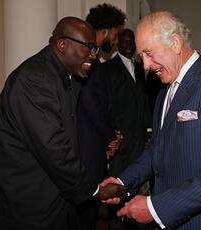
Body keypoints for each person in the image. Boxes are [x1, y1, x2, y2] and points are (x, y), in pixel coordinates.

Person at [0, 17, 128, 230]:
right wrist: (95, 190)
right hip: (19, 196)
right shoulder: (36, 79)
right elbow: (54, 148)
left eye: (95, 48)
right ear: (62, 44)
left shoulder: (67, 75)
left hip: (45, 192)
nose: (94, 56)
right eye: (88, 47)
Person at [102, 11, 201, 230]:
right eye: (141, 56)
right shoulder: (166, 90)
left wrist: (155, 208)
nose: (145, 65)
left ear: (174, 43)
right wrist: (122, 183)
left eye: (148, 53)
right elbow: (157, 149)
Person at [75, 4, 127, 230]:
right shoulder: (86, 59)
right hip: (86, 148)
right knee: (84, 214)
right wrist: (112, 136)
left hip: (94, 145)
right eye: (115, 35)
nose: (115, 41)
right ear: (105, 31)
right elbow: (91, 105)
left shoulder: (94, 58)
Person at [99, 28, 150, 229]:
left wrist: (148, 131)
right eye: (125, 41)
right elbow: (105, 106)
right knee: (116, 191)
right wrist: (114, 137)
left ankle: (134, 223)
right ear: (118, 43)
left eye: (132, 42)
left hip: (140, 140)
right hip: (120, 144)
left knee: (137, 189)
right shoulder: (107, 69)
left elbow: (143, 101)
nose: (129, 45)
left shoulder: (141, 67)